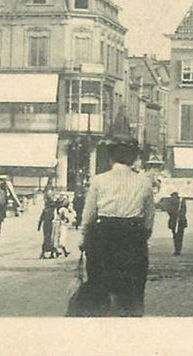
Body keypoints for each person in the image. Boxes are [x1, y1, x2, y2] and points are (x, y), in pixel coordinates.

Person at [79, 134, 155, 317]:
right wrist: (141, 236)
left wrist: (84, 238)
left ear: (110, 156)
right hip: (132, 237)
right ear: (133, 157)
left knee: (99, 284)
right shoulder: (144, 182)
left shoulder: (99, 180)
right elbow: (149, 217)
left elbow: (89, 215)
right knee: (133, 287)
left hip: (103, 236)